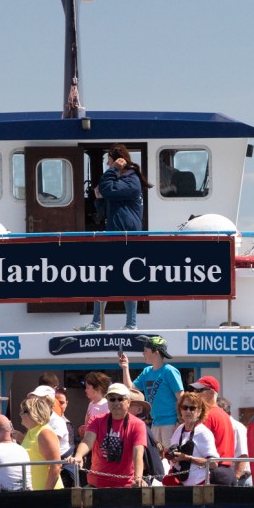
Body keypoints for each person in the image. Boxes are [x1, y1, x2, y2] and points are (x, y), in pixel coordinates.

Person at [75, 144, 152, 331]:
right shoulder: (120, 182)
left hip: (127, 238)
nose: (107, 163)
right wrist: (99, 199)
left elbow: (107, 188)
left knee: (129, 280)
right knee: (103, 278)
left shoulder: (131, 181)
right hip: (114, 235)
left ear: (117, 160)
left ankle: (131, 324)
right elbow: (104, 212)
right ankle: (96, 322)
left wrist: (113, 170)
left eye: (108, 160)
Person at [66, 383, 147, 488]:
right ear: (108, 402)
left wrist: (138, 478)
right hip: (96, 485)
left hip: (125, 486)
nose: (116, 402)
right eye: (112, 399)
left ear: (128, 402)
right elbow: (87, 441)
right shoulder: (96, 420)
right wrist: (79, 455)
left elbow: (138, 453)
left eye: (120, 399)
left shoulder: (138, 424)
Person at [119, 335, 183, 449]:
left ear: (156, 352)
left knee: (170, 457)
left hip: (171, 423)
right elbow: (130, 390)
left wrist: (179, 421)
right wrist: (125, 367)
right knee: (156, 457)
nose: (143, 354)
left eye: (146, 351)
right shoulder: (146, 371)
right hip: (155, 422)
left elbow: (181, 398)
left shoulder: (169, 371)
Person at [164, 391, 219, 486]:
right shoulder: (179, 430)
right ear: (180, 410)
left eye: (192, 408)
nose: (188, 411)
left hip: (199, 486)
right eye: (184, 408)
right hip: (179, 485)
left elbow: (213, 463)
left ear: (200, 411)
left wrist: (187, 458)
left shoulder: (203, 432)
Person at [189, 376, 236, 485]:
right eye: (194, 390)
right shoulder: (224, 414)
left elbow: (197, 446)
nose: (195, 394)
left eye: (199, 390)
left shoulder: (207, 415)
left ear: (211, 392)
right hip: (227, 471)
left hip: (214, 471)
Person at [19, 396, 64, 490]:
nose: (20, 415)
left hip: (47, 495)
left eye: (22, 411)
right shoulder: (31, 432)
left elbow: (55, 466)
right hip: (34, 492)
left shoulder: (45, 433)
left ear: (31, 413)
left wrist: (46, 494)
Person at [128, 387, 165, 483]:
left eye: (129, 403)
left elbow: (152, 456)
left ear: (139, 409)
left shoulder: (142, 428)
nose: (120, 405)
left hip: (138, 480)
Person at [217, 397, 252, 486]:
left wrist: (235, 480)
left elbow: (242, 456)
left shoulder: (237, 427)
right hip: (227, 479)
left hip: (240, 480)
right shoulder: (222, 426)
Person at [79, 371, 111, 438]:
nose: (85, 390)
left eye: (87, 388)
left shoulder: (105, 405)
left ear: (98, 388)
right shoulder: (91, 404)